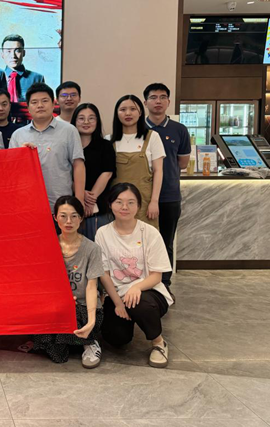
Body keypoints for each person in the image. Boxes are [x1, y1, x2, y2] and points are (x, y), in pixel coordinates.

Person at [97, 183, 173, 368]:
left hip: (149, 292)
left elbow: (156, 276)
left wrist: (136, 287)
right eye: (119, 202)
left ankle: (158, 343)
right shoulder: (103, 233)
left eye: (131, 202)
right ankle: (131, 317)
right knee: (116, 338)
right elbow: (104, 274)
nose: (125, 207)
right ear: (110, 204)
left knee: (139, 303)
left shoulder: (150, 232)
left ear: (138, 206)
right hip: (117, 295)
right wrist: (117, 304)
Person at [28, 196, 103, 368]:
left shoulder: (92, 249)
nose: (68, 221)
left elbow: (92, 286)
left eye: (74, 216)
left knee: (75, 320)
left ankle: (90, 342)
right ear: (55, 218)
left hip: (83, 307)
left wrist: (91, 321)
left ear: (81, 218)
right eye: (63, 216)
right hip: (58, 306)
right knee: (58, 356)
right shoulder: (47, 246)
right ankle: (71, 341)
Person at [144, 83, 191, 292]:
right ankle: (143, 283)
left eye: (163, 97)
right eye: (153, 97)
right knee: (140, 242)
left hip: (169, 195)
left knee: (165, 242)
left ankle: (164, 285)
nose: (158, 101)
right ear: (145, 102)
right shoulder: (137, 127)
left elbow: (183, 163)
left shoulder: (179, 130)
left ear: (169, 102)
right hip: (142, 195)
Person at [10, 83, 85, 211]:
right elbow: (13, 172)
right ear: (28, 107)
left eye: (44, 101)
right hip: (27, 204)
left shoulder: (69, 130)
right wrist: (23, 156)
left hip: (61, 205)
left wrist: (79, 200)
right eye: (34, 102)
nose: (40, 105)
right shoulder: (18, 135)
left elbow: (78, 165)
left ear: (53, 104)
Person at [110, 94, 165, 229]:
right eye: (123, 109)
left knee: (145, 236)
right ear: (117, 113)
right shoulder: (109, 140)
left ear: (140, 112)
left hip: (144, 201)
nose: (128, 113)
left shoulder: (152, 137)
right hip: (116, 202)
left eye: (133, 109)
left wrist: (154, 201)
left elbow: (158, 171)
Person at [71, 103, 116, 241]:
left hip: (99, 206)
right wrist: (80, 193)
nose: (86, 122)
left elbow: (107, 173)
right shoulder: (68, 145)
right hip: (71, 204)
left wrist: (91, 200)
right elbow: (63, 173)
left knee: (99, 246)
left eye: (91, 118)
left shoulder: (105, 145)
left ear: (97, 121)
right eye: (81, 118)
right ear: (74, 121)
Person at [0, 34, 44, 103]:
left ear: (23, 53)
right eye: (8, 51)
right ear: (2, 55)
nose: (13, 56)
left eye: (17, 51)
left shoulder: (37, 78)